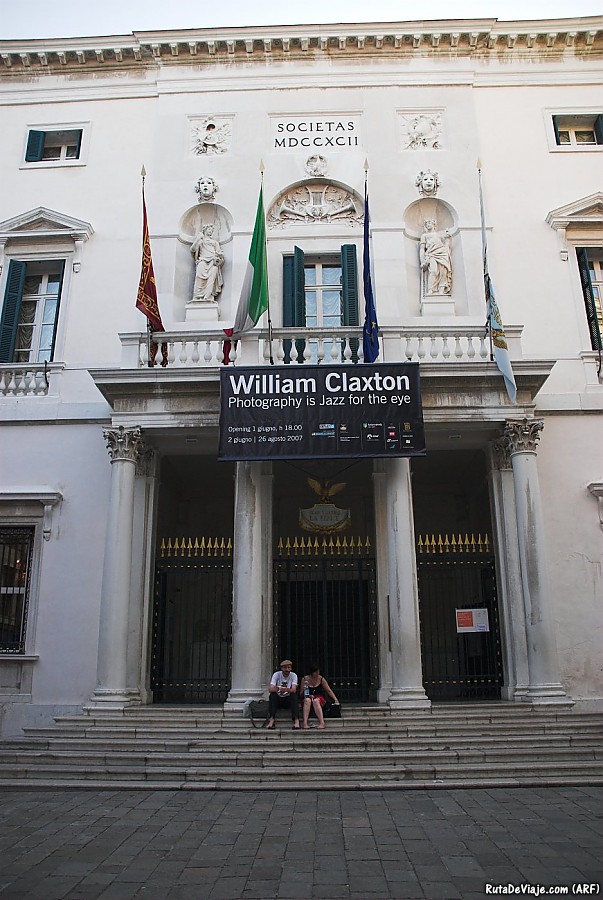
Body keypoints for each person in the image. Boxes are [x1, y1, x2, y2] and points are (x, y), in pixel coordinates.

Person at [190, 223, 224, 301]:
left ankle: (208, 296)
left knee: (211, 280)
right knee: (199, 278)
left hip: (213, 262)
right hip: (202, 261)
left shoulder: (215, 243)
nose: (210, 231)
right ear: (205, 230)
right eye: (209, 229)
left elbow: (219, 253)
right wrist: (198, 239)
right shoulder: (200, 241)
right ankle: (197, 296)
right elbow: (192, 250)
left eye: (212, 230)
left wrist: (219, 257)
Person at [300, 663, 339, 730]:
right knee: (307, 700)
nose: (317, 673)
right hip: (308, 697)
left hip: (318, 698)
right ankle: (305, 723)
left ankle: (322, 722)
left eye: (318, 671)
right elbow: (301, 694)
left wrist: (335, 699)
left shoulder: (321, 679)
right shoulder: (305, 679)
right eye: (315, 672)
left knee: (316, 701)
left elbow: (328, 690)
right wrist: (305, 691)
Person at [419, 218, 452, 295]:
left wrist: (448, 238)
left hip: (442, 253)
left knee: (443, 272)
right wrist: (422, 261)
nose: (428, 224)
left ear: (434, 224)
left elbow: (446, 244)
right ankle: (431, 289)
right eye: (426, 223)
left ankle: (441, 290)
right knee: (433, 271)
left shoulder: (439, 234)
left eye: (429, 223)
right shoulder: (424, 236)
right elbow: (422, 249)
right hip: (431, 254)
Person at [266, 659, 300, 729]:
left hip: (288, 699)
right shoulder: (276, 674)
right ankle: (271, 720)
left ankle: (296, 721)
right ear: (281, 668)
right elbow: (270, 689)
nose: (287, 670)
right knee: (272, 695)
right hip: (278, 699)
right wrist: (279, 689)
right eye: (285, 668)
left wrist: (286, 690)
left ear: (291, 668)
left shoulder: (293, 675)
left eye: (288, 667)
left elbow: (294, 690)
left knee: (294, 696)